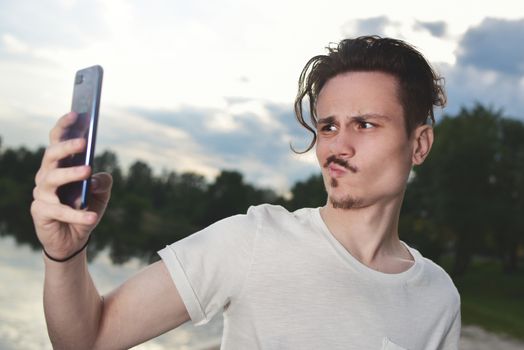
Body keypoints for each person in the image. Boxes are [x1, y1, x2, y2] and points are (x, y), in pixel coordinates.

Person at [31, 36, 460, 350]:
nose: (337, 145)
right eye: (328, 125)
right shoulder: (254, 239)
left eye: (364, 124)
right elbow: (87, 339)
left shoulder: (437, 298)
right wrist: (63, 254)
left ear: (418, 144)